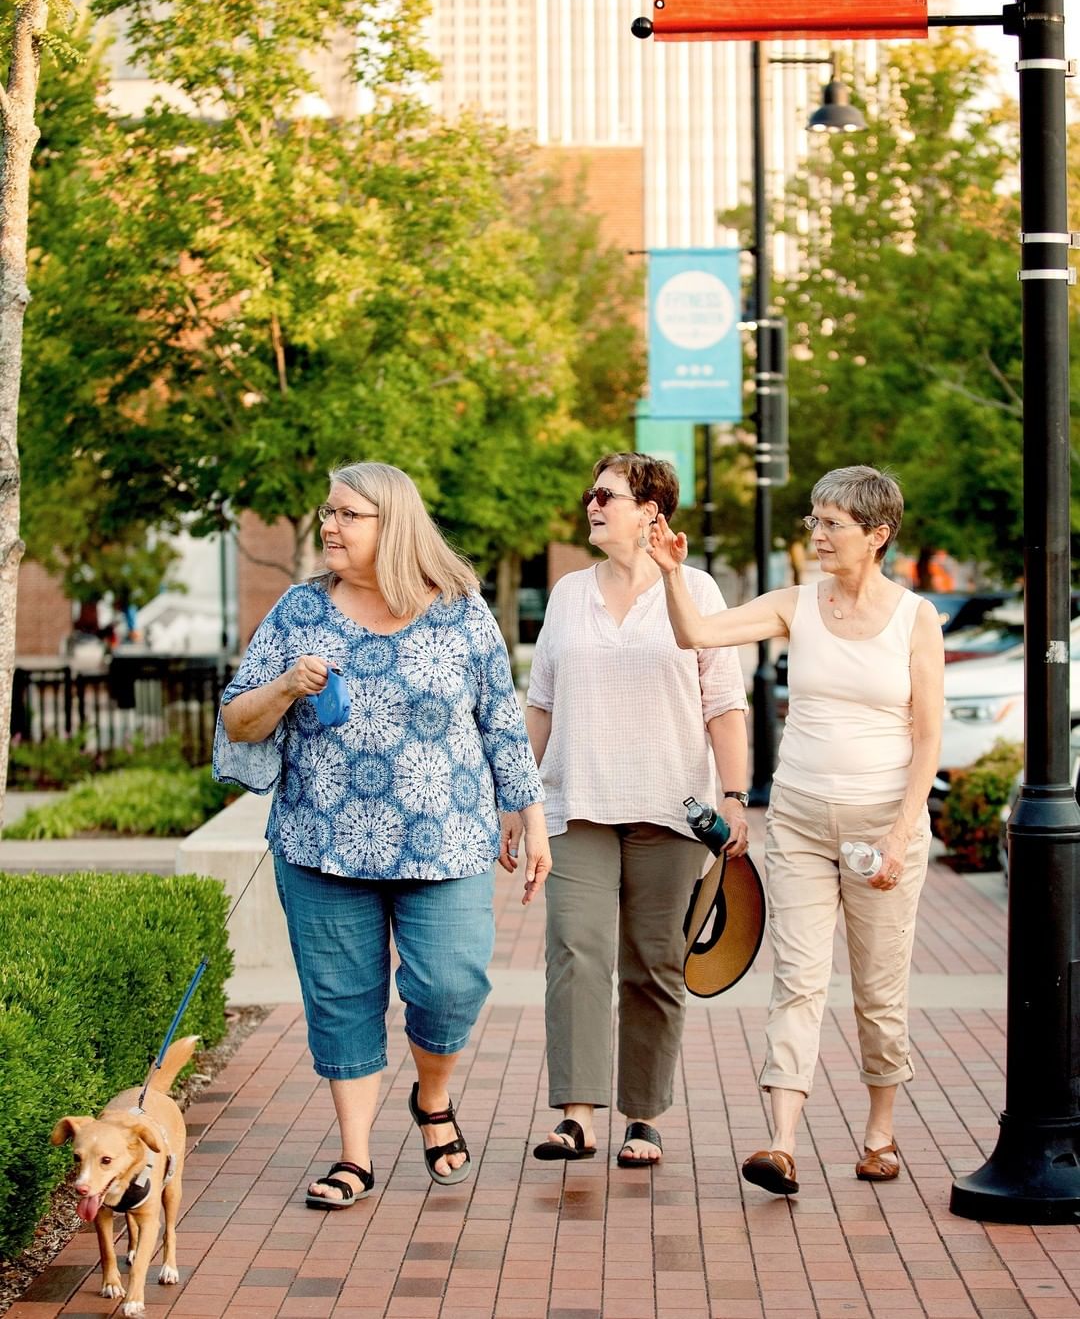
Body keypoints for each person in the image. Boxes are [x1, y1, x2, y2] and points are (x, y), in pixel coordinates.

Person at [213, 461, 549, 1207]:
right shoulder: (300, 611)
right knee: (341, 999)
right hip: (322, 841)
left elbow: (501, 717)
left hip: (447, 841)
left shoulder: (460, 610)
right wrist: (286, 685)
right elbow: (237, 718)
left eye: (346, 514)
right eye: (328, 512)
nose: (328, 525)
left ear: (392, 524)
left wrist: (531, 817)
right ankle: (355, 1157)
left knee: (451, 981)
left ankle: (432, 1098)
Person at [648, 465, 944, 1194]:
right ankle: (780, 1141)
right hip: (804, 820)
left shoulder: (916, 618)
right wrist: (672, 574)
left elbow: (928, 737)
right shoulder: (797, 604)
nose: (816, 534)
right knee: (798, 979)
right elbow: (698, 634)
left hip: (883, 820)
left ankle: (879, 1130)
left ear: (876, 535)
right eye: (814, 518)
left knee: (877, 987)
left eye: (831, 522)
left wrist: (903, 834)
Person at [518, 452, 750, 1168]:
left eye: (607, 495)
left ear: (652, 510)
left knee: (655, 963)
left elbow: (724, 703)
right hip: (576, 802)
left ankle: (643, 1115)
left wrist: (734, 797)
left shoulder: (698, 589)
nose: (591, 504)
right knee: (575, 951)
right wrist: (518, 801)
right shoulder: (566, 594)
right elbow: (541, 702)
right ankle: (578, 1115)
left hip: (670, 806)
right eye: (590, 493)